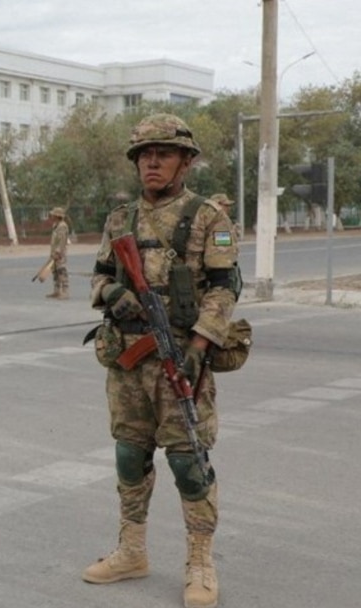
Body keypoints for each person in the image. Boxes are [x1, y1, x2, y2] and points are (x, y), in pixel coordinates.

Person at [83, 113, 239, 608]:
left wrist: (198, 346)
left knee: (188, 460)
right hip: (128, 362)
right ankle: (132, 551)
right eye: (144, 155)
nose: (152, 162)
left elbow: (225, 287)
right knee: (129, 455)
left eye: (163, 154)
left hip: (181, 359)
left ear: (185, 162)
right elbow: (98, 275)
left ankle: (200, 562)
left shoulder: (209, 218)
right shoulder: (119, 219)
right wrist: (112, 292)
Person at [46, 207, 69, 299]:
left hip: (60, 253)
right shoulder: (56, 225)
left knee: (61, 271)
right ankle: (56, 291)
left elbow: (62, 241)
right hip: (54, 251)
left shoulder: (62, 226)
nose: (51, 216)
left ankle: (65, 291)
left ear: (57, 216)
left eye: (53, 215)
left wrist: (58, 252)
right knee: (55, 271)